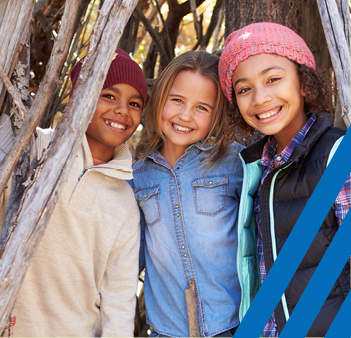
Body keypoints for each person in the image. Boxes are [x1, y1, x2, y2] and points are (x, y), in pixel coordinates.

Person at [0, 49, 147, 337]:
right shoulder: (34, 149)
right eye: (109, 95)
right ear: (78, 95)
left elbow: (118, 303)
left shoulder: (125, 201)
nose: (122, 110)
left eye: (134, 103)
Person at [218, 22, 350, 337]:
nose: (260, 98)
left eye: (273, 79)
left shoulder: (336, 156)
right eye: (244, 89)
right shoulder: (255, 168)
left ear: (303, 83)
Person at [131, 50, 246, 337]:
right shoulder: (138, 175)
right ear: (159, 100)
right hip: (167, 330)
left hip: (233, 325)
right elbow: (132, 257)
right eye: (177, 100)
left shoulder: (234, 164)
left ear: (216, 115)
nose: (185, 116)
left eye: (201, 108)